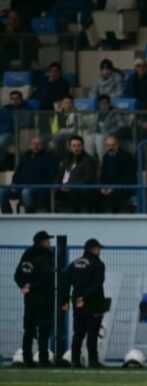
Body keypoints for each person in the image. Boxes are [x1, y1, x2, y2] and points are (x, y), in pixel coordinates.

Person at [59, 238, 106, 368]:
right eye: (98, 248)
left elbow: (64, 282)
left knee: (78, 333)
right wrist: (84, 297)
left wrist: (65, 300)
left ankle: (75, 360)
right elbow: (97, 284)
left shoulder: (74, 264)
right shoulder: (97, 264)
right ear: (93, 249)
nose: (99, 251)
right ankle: (93, 361)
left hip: (77, 303)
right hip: (93, 302)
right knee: (92, 333)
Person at [14, 230, 55, 367]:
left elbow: (17, 274)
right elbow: (46, 278)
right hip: (43, 297)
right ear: (42, 242)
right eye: (47, 240)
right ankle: (43, 359)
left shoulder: (27, 255)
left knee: (29, 328)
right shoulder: (45, 256)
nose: (49, 243)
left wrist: (23, 286)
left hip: (29, 298)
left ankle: (27, 358)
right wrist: (32, 286)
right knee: (44, 329)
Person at [1, 137, 57, 214]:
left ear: (42, 146)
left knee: (26, 192)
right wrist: (14, 184)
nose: (35, 146)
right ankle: (9, 217)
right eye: (33, 144)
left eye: (38, 144)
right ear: (30, 145)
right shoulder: (24, 157)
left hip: (38, 187)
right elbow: (17, 173)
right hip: (20, 186)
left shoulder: (48, 158)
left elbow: (51, 176)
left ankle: (29, 215)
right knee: (2, 192)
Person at [55, 135, 98, 213]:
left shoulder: (89, 160)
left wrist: (71, 186)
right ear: (70, 147)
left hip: (81, 191)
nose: (76, 148)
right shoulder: (67, 160)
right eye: (74, 146)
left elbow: (88, 178)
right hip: (65, 189)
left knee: (74, 193)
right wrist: (60, 185)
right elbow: (60, 175)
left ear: (83, 146)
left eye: (78, 145)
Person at [98, 135, 137, 213]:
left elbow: (129, 177)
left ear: (117, 145)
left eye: (113, 145)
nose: (111, 148)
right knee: (94, 194)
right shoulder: (105, 157)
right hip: (109, 187)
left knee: (115, 195)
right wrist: (103, 187)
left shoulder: (127, 157)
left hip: (124, 186)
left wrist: (113, 188)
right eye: (108, 145)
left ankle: (115, 216)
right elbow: (103, 175)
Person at [0, 90, 27, 163]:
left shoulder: (26, 110)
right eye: (12, 98)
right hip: (2, 133)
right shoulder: (4, 109)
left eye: (17, 98)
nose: (14, 100)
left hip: (14, 135)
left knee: (3, 140)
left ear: (21, 99)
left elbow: (26, 124)